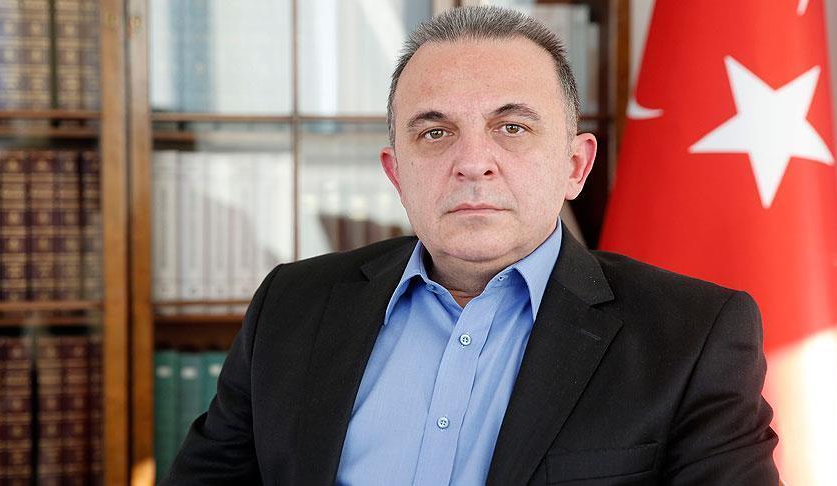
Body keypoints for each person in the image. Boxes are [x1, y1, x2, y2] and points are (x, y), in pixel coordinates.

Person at [163, 6, 778, 485]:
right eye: (435, 132)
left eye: (512, 127)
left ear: (575, 165)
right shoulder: (291, 305)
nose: (473, 162)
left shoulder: (693, 335)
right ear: (396, 171)